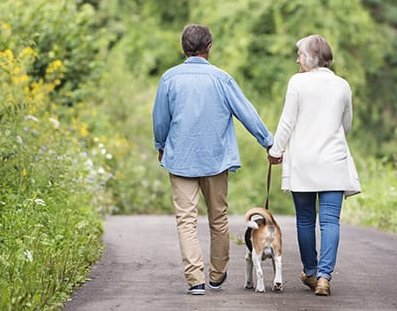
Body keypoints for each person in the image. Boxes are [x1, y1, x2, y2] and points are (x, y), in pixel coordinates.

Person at [152, 24, 274, 295]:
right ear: (209, 47)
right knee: (218, 218)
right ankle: (217, 275)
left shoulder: (169, 78)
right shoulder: (221, 79)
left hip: (180, 158)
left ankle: (195, 279)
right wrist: (268, 141)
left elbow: (160, 120)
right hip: (215, 159)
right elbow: (246, 112)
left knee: (186, 220)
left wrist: (161, 145)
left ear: (184, 48)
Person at [267, 34, 361, 296]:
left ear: (309, 58)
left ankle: (310, 271)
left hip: (304, 163)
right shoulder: (342, 85)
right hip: (333, 161)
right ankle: (324, 277)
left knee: (306, 220)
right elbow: (347, 125)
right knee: (330, 221)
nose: (297, 59)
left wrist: (276, 151)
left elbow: (287, 121)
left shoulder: (297, 82)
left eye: (299, 54)